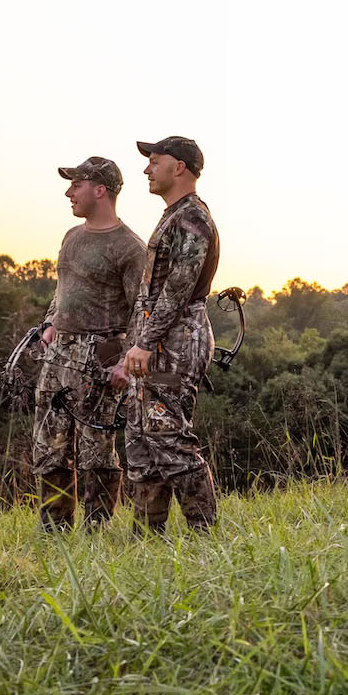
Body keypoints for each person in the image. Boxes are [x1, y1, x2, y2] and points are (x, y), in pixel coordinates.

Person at [112, 135, 221, 535]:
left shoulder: (193, 218)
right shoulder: (173, 215)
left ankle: (204, 538)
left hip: (175, 343)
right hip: (154, 342)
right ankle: (146, 540)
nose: (146, 169)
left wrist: (144, 342)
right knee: (142, 445)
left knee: (170, 439)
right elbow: (150, 294)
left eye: (154, 161)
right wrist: (131, 349)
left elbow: (178, 287)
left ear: (179, 167)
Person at [32, 157, 146, 532]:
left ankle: (96, 531)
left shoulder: (130, 248)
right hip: (58, 353)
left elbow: (140, 312)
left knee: (96, 451)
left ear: (100, 190)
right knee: (49, 446)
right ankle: (54, 531)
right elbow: (63, 290)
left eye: (76, 185)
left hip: (100, 357)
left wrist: (123, 364)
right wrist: (50, 323)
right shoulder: (72, 237)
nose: (69, 192)